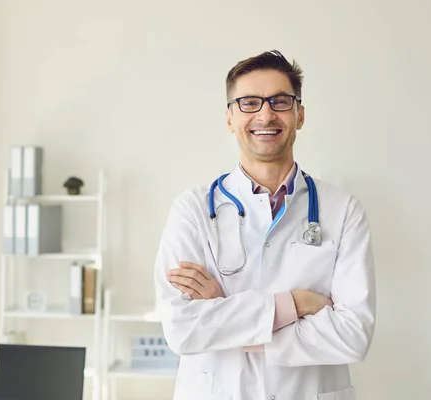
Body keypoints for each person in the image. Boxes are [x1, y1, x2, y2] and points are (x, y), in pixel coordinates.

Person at [153, 50, 376, 400]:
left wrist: (223, 310)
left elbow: (353, 336)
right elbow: (183, 330)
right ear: (229, 118)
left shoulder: (343, 211)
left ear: (299, 115)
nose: (266, 114)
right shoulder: (192, 210)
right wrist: (297, 304)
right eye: (249, 103)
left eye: (280, 101)